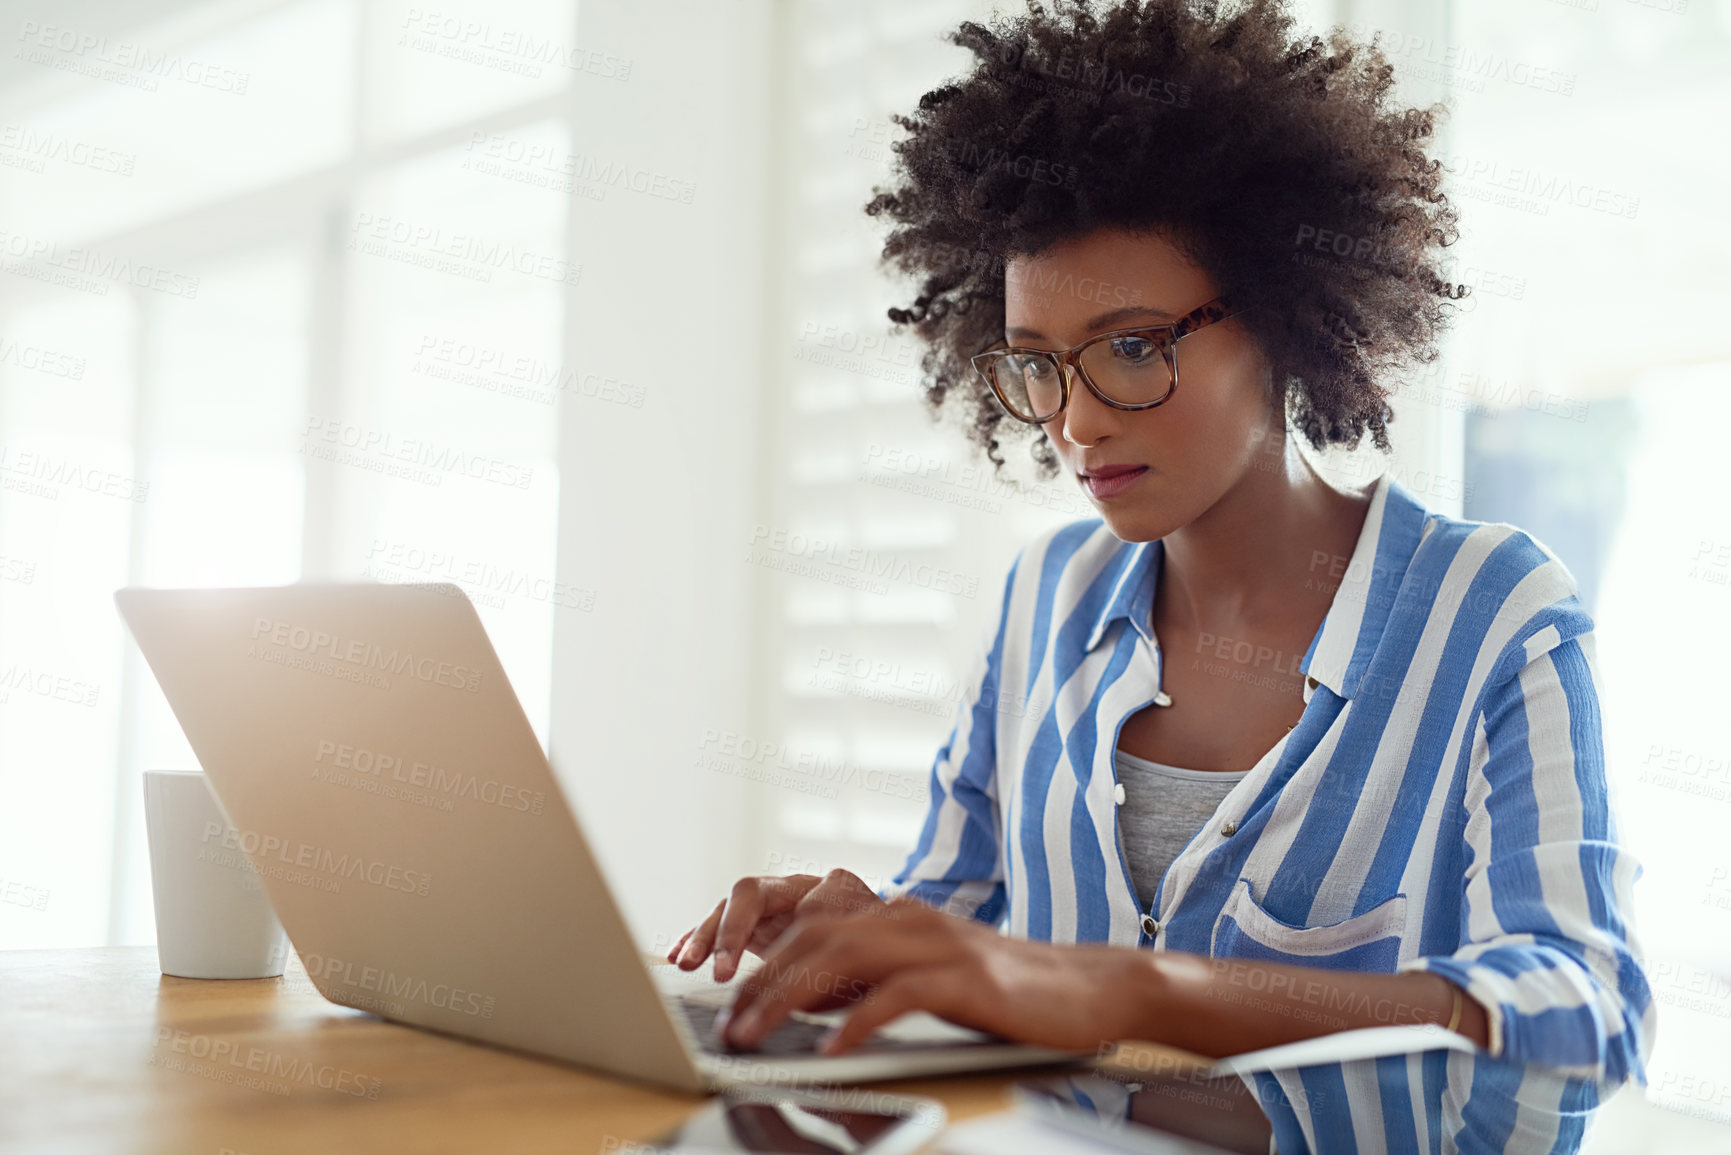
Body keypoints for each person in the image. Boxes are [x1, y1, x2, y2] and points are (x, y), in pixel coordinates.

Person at [670, 1, 1654, 1149]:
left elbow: (1589, 1011)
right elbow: (964, 924)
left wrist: (1140, 995)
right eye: (1038, 366)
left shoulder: (1490, 614)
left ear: (1285, 319)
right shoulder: (1046, 600)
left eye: (1134, 346)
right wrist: (862, 948)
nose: (1078, 420)